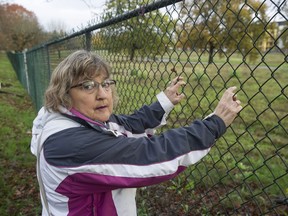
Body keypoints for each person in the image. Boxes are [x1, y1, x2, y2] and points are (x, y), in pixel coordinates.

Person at [31, 50, 242, 216]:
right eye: (88, 86)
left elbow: (127, 125)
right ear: (64, 92)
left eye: (106, 84)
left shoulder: (70, 119)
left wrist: (164, 102)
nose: (103, 94)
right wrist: (215, 123)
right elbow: (151, 155)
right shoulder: (70, 145)